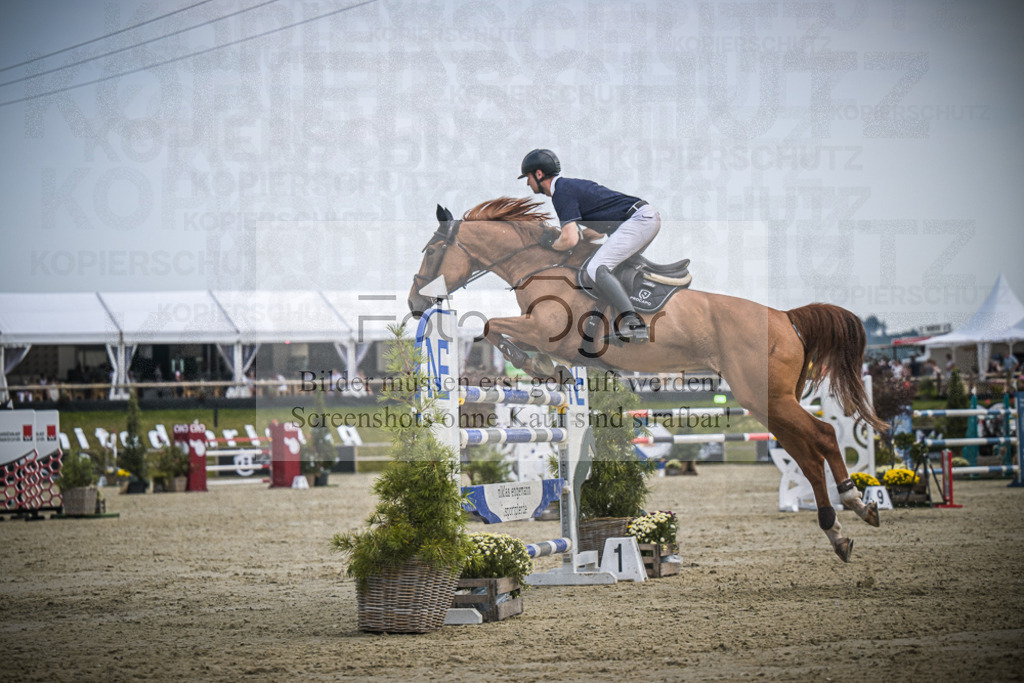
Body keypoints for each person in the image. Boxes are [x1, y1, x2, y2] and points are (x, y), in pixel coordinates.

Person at [520, 148, 660, 342]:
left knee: (596, 268)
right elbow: (597, 230)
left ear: (539, 174)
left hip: (639, 220)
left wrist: (552, 244)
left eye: (528, 177)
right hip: (640, 218)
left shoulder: (561, 192)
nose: (527, 183)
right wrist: (587, 234)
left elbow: (570, 240)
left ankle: (633, 323)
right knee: (609, 267)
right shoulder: (567, 188)